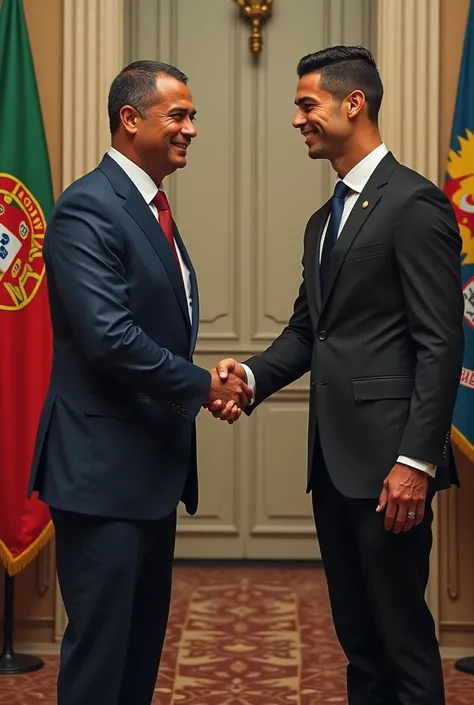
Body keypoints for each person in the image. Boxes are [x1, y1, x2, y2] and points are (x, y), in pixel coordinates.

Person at [210, 46, 464, 705]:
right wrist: (252, 377)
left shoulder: (415, 204)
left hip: (390, 470)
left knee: (402, 638)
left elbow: (440, 343)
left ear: (354, 103)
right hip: (333, 463)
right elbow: (308, 331)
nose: (298, 120)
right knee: (358, 639)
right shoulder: (324, 220)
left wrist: (416, 460)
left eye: (306, 104)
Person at [27, 60, 251, 705]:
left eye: (192, 117)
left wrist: (200, 385)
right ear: (131, 120)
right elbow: (108, 337)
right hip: (102, 476)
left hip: (146, 473)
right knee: (102, 661)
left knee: (137, 655)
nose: (191, 130)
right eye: (177, 115)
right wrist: (202, 387)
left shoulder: (149, 206)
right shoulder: (87, 207)